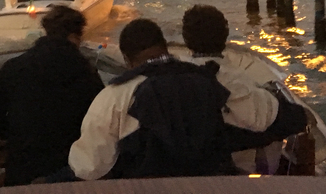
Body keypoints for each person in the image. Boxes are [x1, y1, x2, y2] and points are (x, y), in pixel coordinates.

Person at [68, 18, 233, 180]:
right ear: (165, 47)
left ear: (126, 59)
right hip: (209, 183)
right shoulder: (209, 80)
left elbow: (89, 168)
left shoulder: (115, 97)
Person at [0, 7, 104, 185]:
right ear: (75, 36)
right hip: (70, 170)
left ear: (47, 31)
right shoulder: (87, 73)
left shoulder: (14, 68)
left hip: (23, 168)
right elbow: (100, 123)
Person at [181, 5, 308, 155]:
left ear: (186, 39)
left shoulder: (175, 80)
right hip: (232, 163)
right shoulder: (236, 80)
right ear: (225, 35)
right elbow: (295, 119)